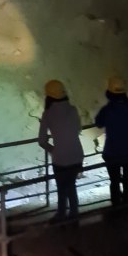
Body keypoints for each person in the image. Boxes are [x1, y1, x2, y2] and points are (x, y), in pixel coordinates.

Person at [38, 80, 84, 224]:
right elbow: (78, 129)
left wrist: (52, 150)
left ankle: (62, 215)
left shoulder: (48, 114)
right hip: (77, 155)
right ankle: (74, 215)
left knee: (62, 188)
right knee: (71, 187)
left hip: (61, 158)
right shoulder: (73, 110)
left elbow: (41, 140)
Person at [95, 76, 128, 211]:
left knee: (114, 182)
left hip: (112, 152)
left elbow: (98, 123)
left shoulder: (107, 110)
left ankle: (116, 208)